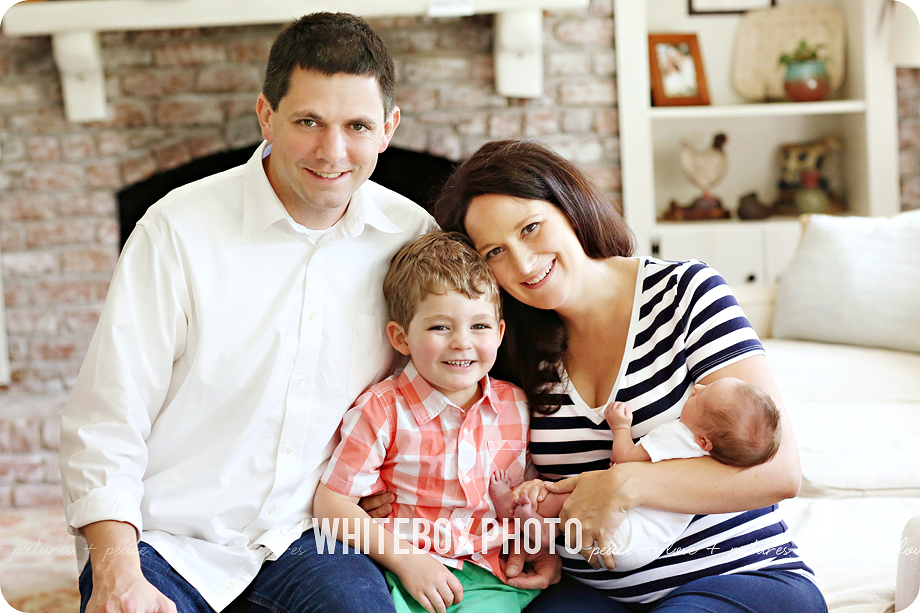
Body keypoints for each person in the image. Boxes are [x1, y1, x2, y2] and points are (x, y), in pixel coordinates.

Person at [58, 12, 444, 613]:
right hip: (165, 540)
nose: (332, 151)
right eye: (308, 121)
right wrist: (116, 571)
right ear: (266, 115)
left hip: (311, 538)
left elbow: (437, 386)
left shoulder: (411, 236)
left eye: (358, 125)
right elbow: (107, 419)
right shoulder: (175, 230)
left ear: (389, 128)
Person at [433, 139, 828, 612]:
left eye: (531, 228)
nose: (522, 263)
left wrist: (625, 484)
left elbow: (781, 471)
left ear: (569, 205)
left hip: (737, 575)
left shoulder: (686, 293)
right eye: (495, 251)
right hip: (590, 590)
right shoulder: (509, 346)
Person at [314, 231, 542, 613]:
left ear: (500, 333)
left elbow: (526, 496)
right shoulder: (381, 410)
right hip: (401, 570)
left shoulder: (515, 406)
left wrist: (536, 544)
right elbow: (332, 504)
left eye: (480, 326)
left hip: (489, 575)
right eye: (440, 327)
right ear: (401, 338)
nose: (462, 342)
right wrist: (407, 561)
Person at [491, 378, 782, 572]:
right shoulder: (715, 455)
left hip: (624, 530)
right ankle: (545, 530)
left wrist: (620, 427)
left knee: (577, 491)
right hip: (644, 546)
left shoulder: (679, 436)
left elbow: (626, 460)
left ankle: (515, 511)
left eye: (701, 399)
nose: (697, 388)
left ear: (704, 441)